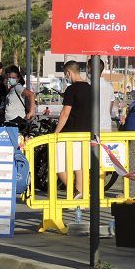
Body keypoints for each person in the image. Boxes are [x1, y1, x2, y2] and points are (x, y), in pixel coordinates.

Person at [53, 61, 91, 198]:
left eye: (65, 74)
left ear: (68, 73)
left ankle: (73, 189)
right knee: (79, 165)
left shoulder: (71, 90)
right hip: (86, 133)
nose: (66, 77)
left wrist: (55, 133)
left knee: (58, 164)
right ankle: (81, 193)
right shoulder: (91, 88)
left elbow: (65, 114)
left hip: (70, 133)